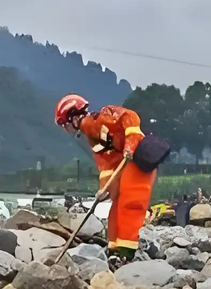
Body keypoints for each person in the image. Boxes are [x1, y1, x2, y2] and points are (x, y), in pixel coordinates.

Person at [54, 94, 157, 263]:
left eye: (66, 124)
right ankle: (114, 248)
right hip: (126, 163)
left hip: (138, 158)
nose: (67, 129)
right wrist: (104, 190)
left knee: (130, 202)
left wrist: (131, 143)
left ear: (74, 116)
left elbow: (130, 117)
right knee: (115, 207)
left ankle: (126, 251)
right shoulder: (92, 136)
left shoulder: (104, 116)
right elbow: (106, 165)